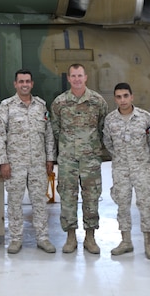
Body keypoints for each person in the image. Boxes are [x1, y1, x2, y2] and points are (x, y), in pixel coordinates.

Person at [0, 69, 56, 254]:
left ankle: (43, 238)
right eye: (21, 81)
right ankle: (15, 239)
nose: (24, 84)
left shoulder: (41, 106)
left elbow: (49, 134)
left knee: (39, 202)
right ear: (15, 84)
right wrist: (3, 161)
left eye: (27, 81)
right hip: (15, 164)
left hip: (38, 163)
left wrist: (50, 158)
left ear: (32, 83)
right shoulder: (6, 106)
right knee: (14, 202)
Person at [50, 63, 107, 254]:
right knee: (67, 197)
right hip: (68, 160)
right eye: (73, 76)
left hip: (90, 160)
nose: (77, 79)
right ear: (68, 78)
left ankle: (90, 237)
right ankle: (70, 237)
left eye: (80, 75)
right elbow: (55, 130)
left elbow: (102, 128)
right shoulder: (59, 103)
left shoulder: (97, 102)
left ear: (86, 77)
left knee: (91, 197)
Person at [103, 83, 150, 259]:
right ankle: (126, 241)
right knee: (122, 204)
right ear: (115, 99)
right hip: (120, 169)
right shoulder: (110, 120)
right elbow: (108, 143)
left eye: (125, 96)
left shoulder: (144, 117)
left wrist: (141, 158)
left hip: (141, 167)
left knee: (146, 204)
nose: (122, 100)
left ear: (132, 97)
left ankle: (149, 243)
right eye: (118, 97)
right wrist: (121, 158)